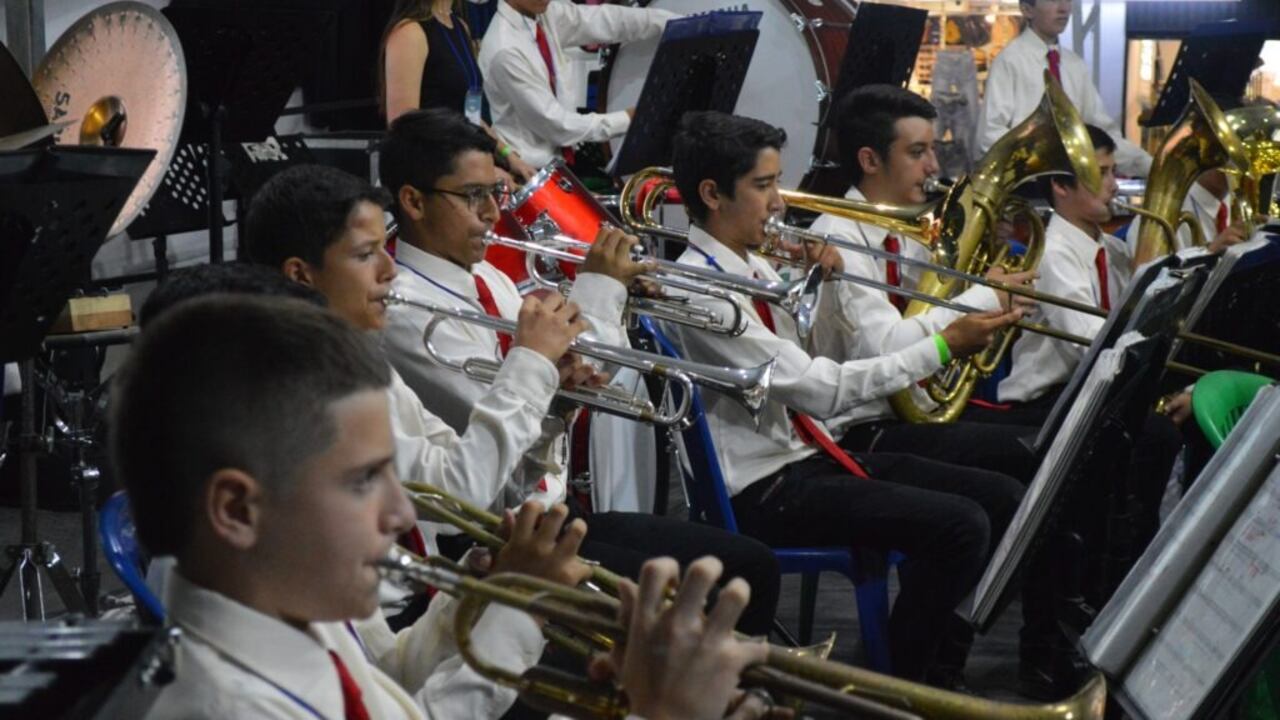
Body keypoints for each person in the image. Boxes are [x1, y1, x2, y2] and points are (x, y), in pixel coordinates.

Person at [114, 295, 767, 720]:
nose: (404, 516)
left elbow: (397, 683)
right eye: (363, 481)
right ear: (236, 511)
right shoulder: (221, 704)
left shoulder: (287, 605)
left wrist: (488, 597)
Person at [377, 108, 782, 637]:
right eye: (473, 196)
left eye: (496, 193)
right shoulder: (407, 312)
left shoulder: (488, 277)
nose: (493, 214)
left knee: (747, 564)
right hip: (492, 534)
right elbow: (501, 430)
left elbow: (577, 379)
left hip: (545, 510)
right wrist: (599, 291)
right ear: (413, 201)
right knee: (693, 593)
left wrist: (569, 374)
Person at [664, 110, 1026, 687]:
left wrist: (816, 291)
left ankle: (923, 662)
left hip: (809, 457)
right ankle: (902, 684)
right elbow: (821, 389)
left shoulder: (754, 265)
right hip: (765, 489)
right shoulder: (699, 287)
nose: (778, 205)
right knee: (961, 526)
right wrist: (942, 345)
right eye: (763, 186)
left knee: (1001, 496)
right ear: (712, 194)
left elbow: (810, 362)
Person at [240, 164, 583, 548]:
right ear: (301, 276)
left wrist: (550, 407)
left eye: (382, 247)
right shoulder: (314, 386)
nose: (389, 269)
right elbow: (460, 493)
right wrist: (530, 363)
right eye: (366, 254)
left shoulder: (357, 359)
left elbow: (492, 495)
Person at [809, 84, 1041, 484]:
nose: (933, 166)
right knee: (1021, 465)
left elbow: (933, 310)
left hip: (915, 409)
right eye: (917, 152)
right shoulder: (836, 236)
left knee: (1053, 435)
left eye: (932, 150)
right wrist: (984, 296)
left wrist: (986, 275)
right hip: (863, 426)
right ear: (870, 160)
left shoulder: (911, 228)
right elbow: (887, 347)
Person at [477, 0, 676, 169]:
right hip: (530, 173)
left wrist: (673, 22)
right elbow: (557, 126)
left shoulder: (542, 13)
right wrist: (628, 119)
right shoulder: (505, 50)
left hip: (562, 163)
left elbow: (605, 21)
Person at [977, 0, 1152, 177]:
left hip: (1073, 184)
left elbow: (1102, 134)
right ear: (1027, 9)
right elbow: (989, 135)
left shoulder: (1074, 64)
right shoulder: (1009, 61)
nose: (1064, 8)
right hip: (1028, 182)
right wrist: (1038, 162)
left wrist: (1148, 165)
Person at [381, 0, 538, 181]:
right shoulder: (410, 32)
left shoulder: (460, 26)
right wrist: (480, 170)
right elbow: (403, 129)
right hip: (432, 176)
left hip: (462, 167)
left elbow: (470, 115)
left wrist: (508, 155)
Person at [1126, 168, 1248, 265]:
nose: (1231, 162)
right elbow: (1148, 285)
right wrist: (1208, 255)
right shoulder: (1157, 217)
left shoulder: (1244, 205)